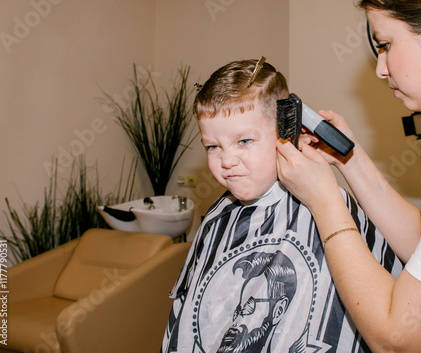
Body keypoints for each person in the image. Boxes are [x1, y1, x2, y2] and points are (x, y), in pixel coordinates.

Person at [276, 1, 421, 352]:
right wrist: (350, 160)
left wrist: (324, 200)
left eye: (386, 45)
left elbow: (397, 338)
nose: (380, 69)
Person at [161, 59, 404, 352]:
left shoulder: (327, 204)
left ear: (284, 132)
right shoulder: (216, 218)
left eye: (244, 141)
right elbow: (185, 320)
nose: (226, 160)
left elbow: (388, 311)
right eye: (213, 146)